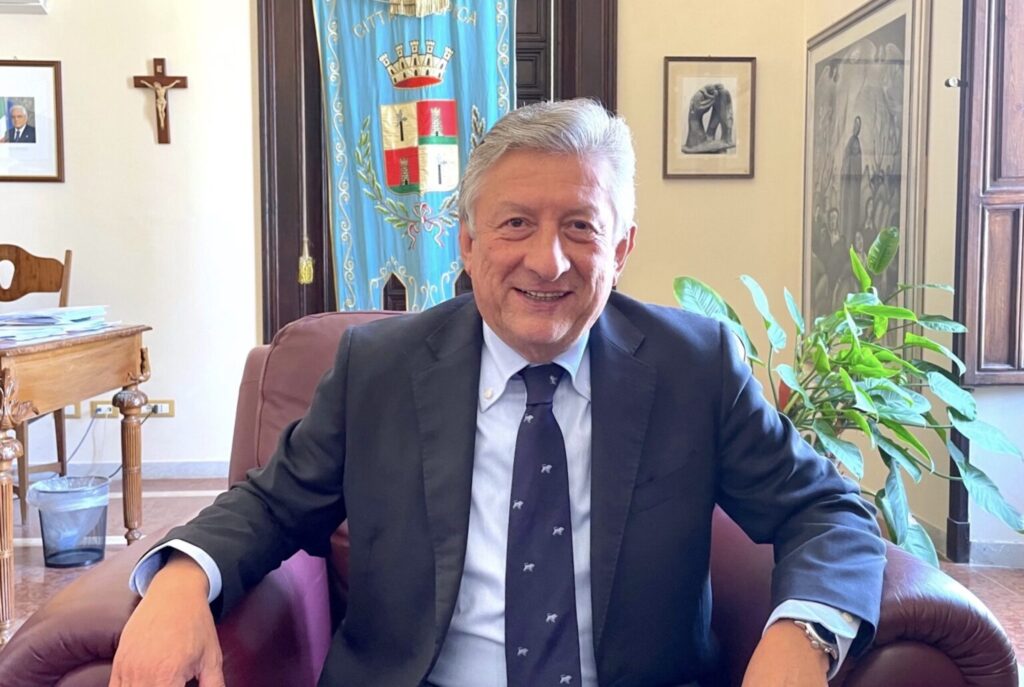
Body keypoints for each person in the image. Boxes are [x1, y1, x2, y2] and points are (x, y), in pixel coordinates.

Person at [110, 99, 885, 687]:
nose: (547, 261)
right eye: (515, 223)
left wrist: (803, 635)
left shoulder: (694, 366)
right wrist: (182, 578)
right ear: (469, 241)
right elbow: (272, 504)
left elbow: (826, 509)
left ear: (622, 247)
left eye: (580, 226)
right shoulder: (378, 368)